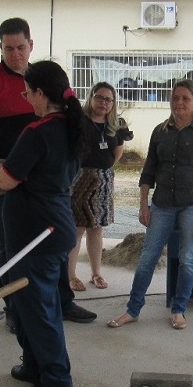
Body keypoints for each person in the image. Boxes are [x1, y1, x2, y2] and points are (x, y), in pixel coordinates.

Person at [0, 18, 96, 330]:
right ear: (0, 48)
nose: (15, 53)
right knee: (11, 248)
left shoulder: (46, 79)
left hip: (45, 180)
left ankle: (62, 301)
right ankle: (14, 308)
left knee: (52, 242)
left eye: (21, 47)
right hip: (6, 180)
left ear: (31, 45)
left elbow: (73, 121)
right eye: (8, 48)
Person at [0, 61, 89, 387]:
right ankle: (34, 363)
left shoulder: (38, 132)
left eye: (27, 92)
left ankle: (57, 377)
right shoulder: (70, 129)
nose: (26, 99)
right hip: (48, 227)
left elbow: (5, 179)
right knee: (30, 304)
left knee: (40, 307)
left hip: (37, 234)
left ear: (41, 93)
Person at [109, 79, 193, 331]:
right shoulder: (160, 131)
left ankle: (179, 309)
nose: (179, 103)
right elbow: (148, 172)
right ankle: (133, 309)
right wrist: (143, 205)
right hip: (161, 204)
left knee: (187, 259)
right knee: (147, 258)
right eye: (175, 98)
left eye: (185, 98)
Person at [67, 83, 132, 292]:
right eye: (99, 98)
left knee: (96, 228)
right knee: (76, 228)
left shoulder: (116, 125)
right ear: (91, 98)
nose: (103, 103)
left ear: (113, 103)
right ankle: (71, 275)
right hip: (79, 178)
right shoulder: (79, 121)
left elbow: (117, 153)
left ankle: (96, 273)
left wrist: (102, 170)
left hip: (103, 179)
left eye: (108, 99)